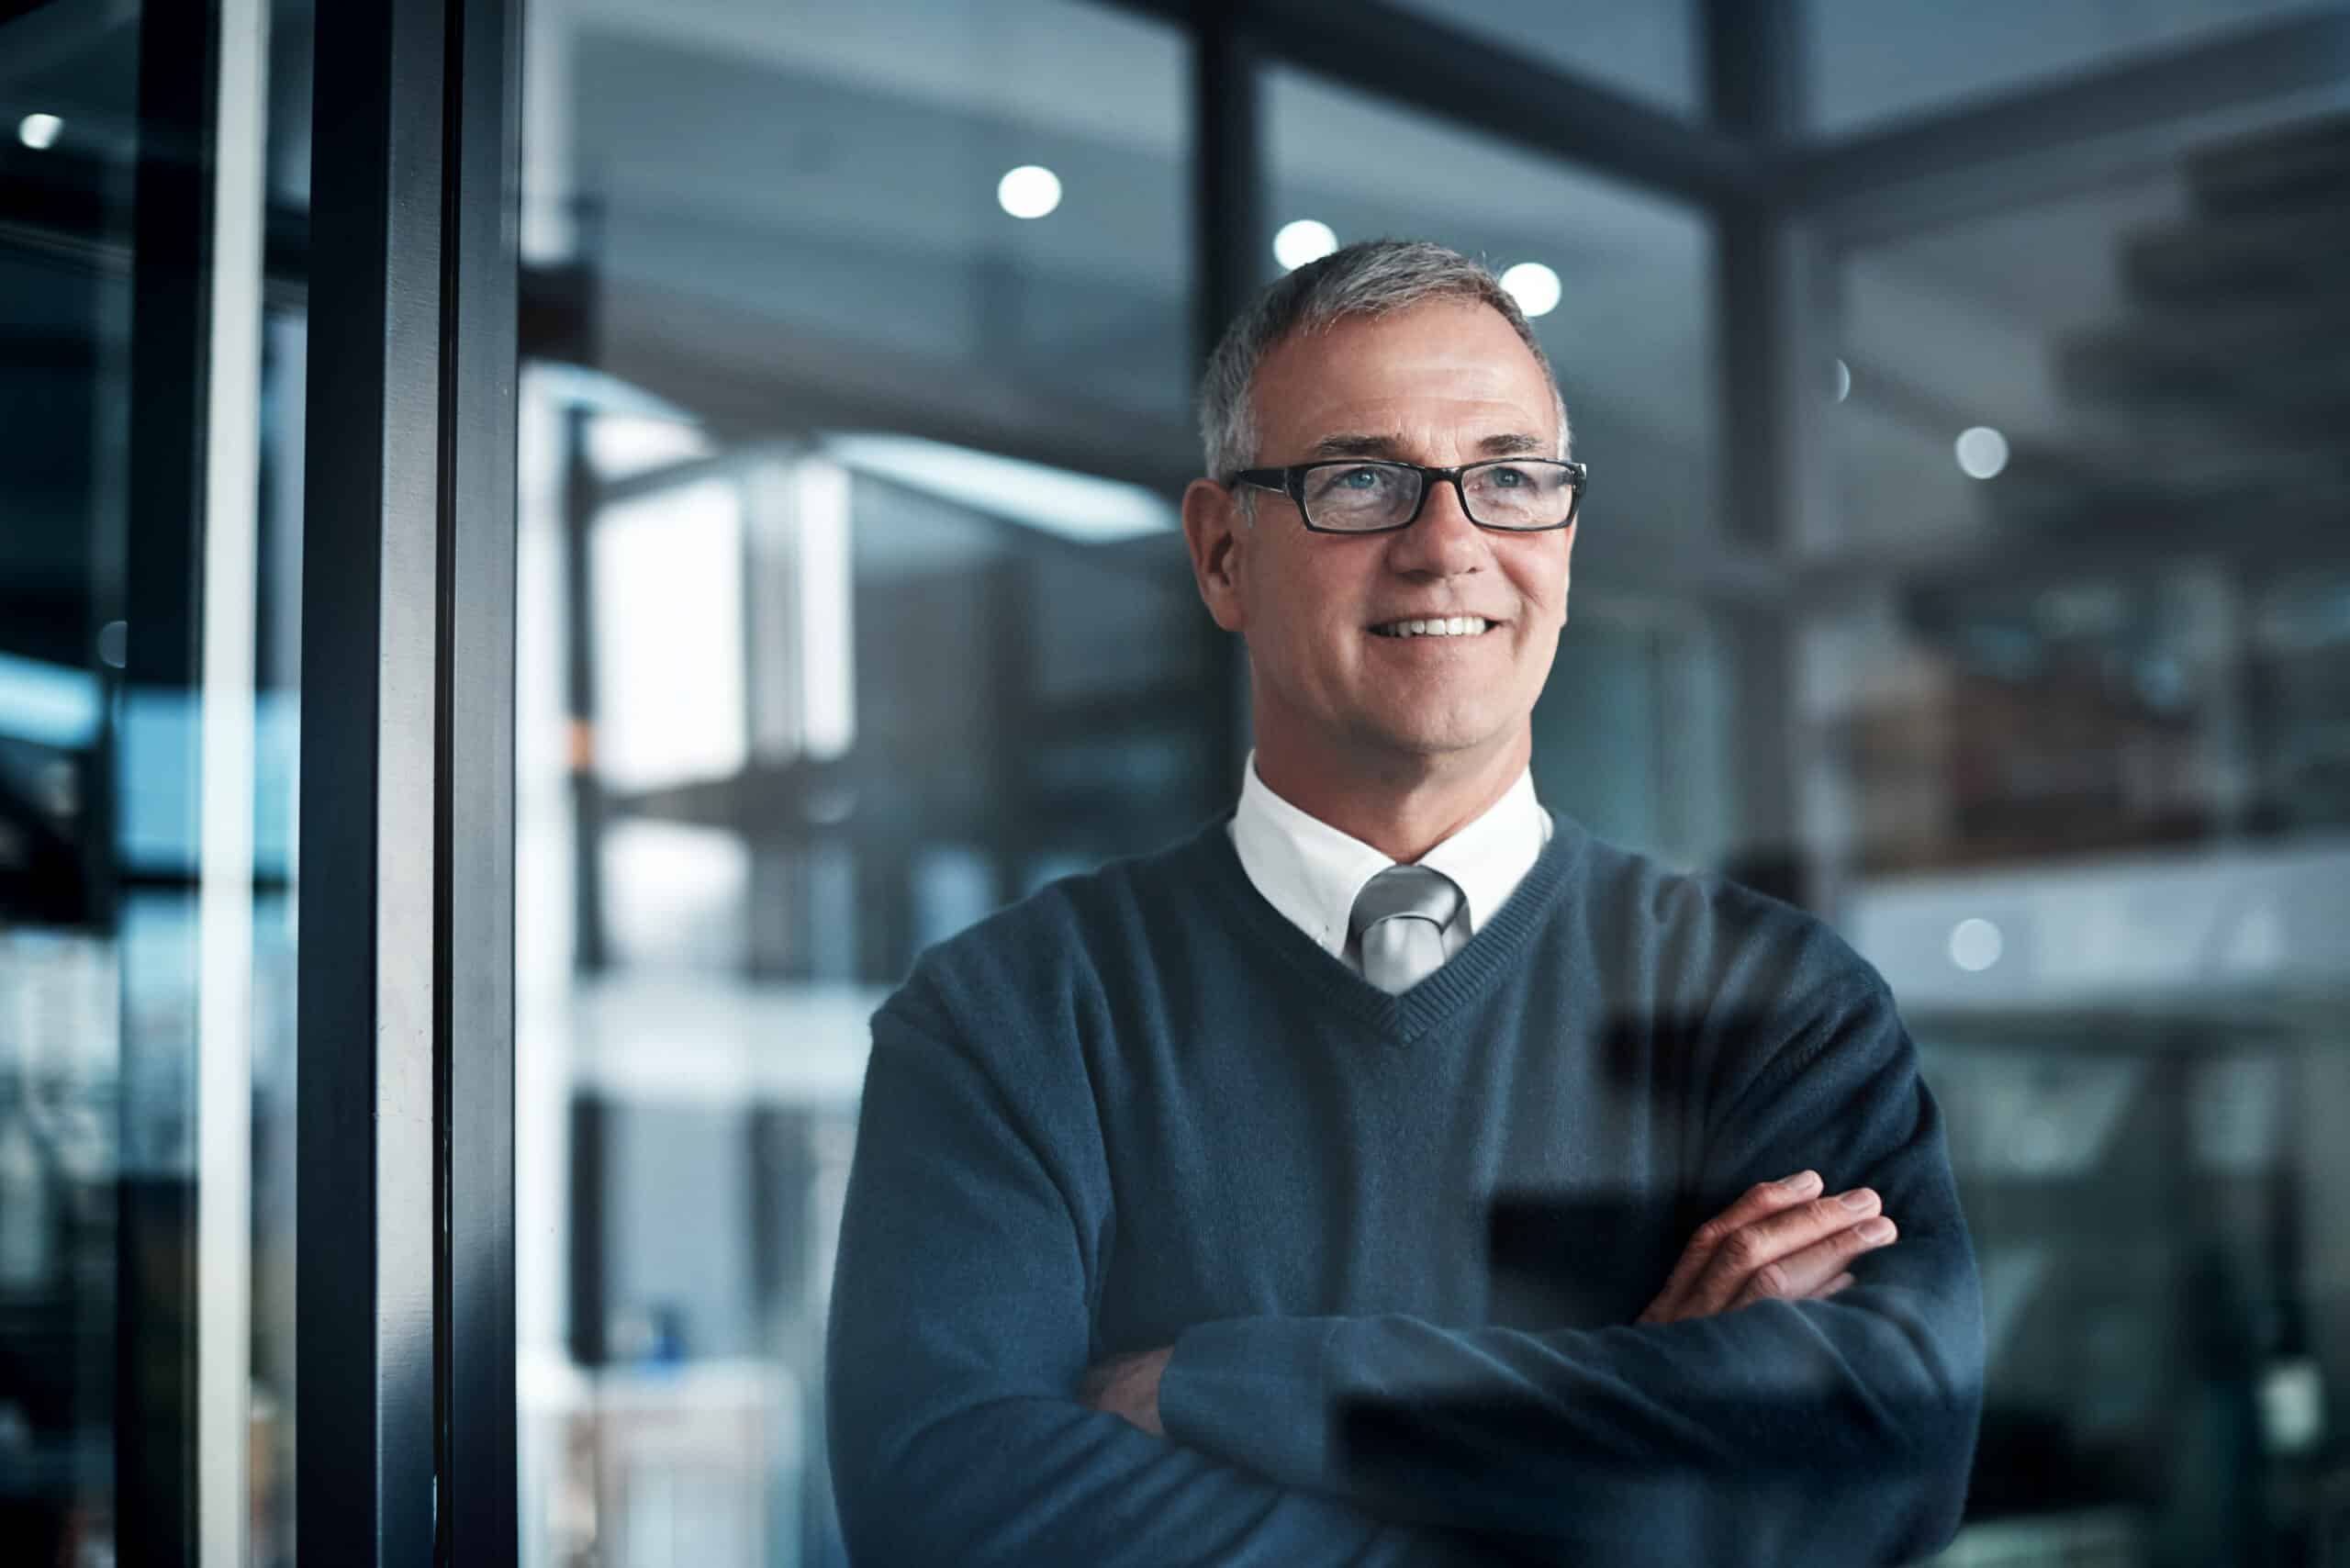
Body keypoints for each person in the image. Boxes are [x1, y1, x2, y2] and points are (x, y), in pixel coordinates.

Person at [824, 240, 1983, 1565]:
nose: (1448, 547)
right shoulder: (1010, 1019)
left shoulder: (1780, 1006)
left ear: (1563, 535)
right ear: (1221, 555)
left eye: (1508, 479)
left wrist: (1239, 1386)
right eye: (1360, 481)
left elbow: (1874, 1475)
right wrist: (1620, 1483)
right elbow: (955, 1513)